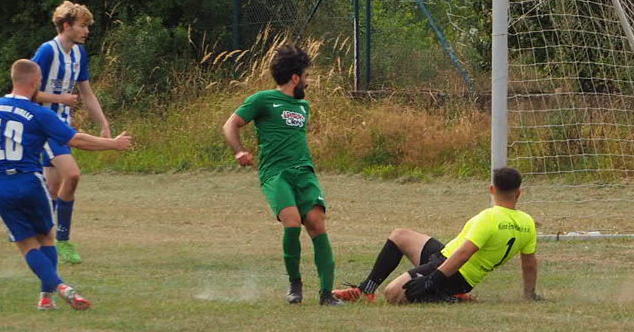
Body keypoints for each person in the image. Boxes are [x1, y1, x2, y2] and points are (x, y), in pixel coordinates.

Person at [0, 59, 132, 310]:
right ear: (35, 81)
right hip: (30, 182)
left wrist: (2, 153)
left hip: (0, 185)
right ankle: (57, 287)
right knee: (46, 238)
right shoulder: (39, 113)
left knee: (26, 244)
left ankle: (48, 298)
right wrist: (113, 144)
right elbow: (76, 140)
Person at [222, 45, 342, 306]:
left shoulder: (303, 106)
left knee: (316, 222)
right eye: (306, 76)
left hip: (304, 173)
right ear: (295, 78)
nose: (308, 82)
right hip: (276, 174)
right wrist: (239, 150)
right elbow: (230, 124)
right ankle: (295, 284)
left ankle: (326, 294)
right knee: (292, 221)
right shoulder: (262, 100)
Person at [333, 167, 540, 304]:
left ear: (492, 190)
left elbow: (464, 255)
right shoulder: (528, 223)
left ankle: (449, 297)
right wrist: (530, 294)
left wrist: (432, 280)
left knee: (392, 294)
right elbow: (529, 264)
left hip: (454, 273)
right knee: (400, 236)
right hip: (445, 257)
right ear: (519, 192)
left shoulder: (489, 217)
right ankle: (365, 290)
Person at [31, 1, 112, 265]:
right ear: (66, 26)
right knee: (73, 175)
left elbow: (87, 93)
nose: (86, 31)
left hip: (62, 126)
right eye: (82, 26)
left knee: (53, 189)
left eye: (88, 26)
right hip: (44, 126)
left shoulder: (79, 54)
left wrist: (103, 124)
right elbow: (26, 92)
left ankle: (44, 239)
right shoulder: (47, 51)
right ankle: (62, 241)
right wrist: (60, 99)